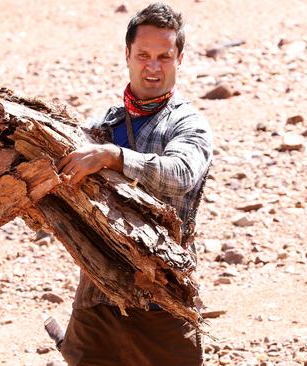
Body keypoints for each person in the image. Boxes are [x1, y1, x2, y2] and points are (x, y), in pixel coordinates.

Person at [56, 3, 213, 365]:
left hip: (162, 296)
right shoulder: (101, 126)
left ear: (179, 59)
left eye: (164, 56)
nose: (153, 67)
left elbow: (182, 173)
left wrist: (116, 157)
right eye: (143, 54)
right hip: (97, 296)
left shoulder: (188, 124)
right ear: (127, 55)